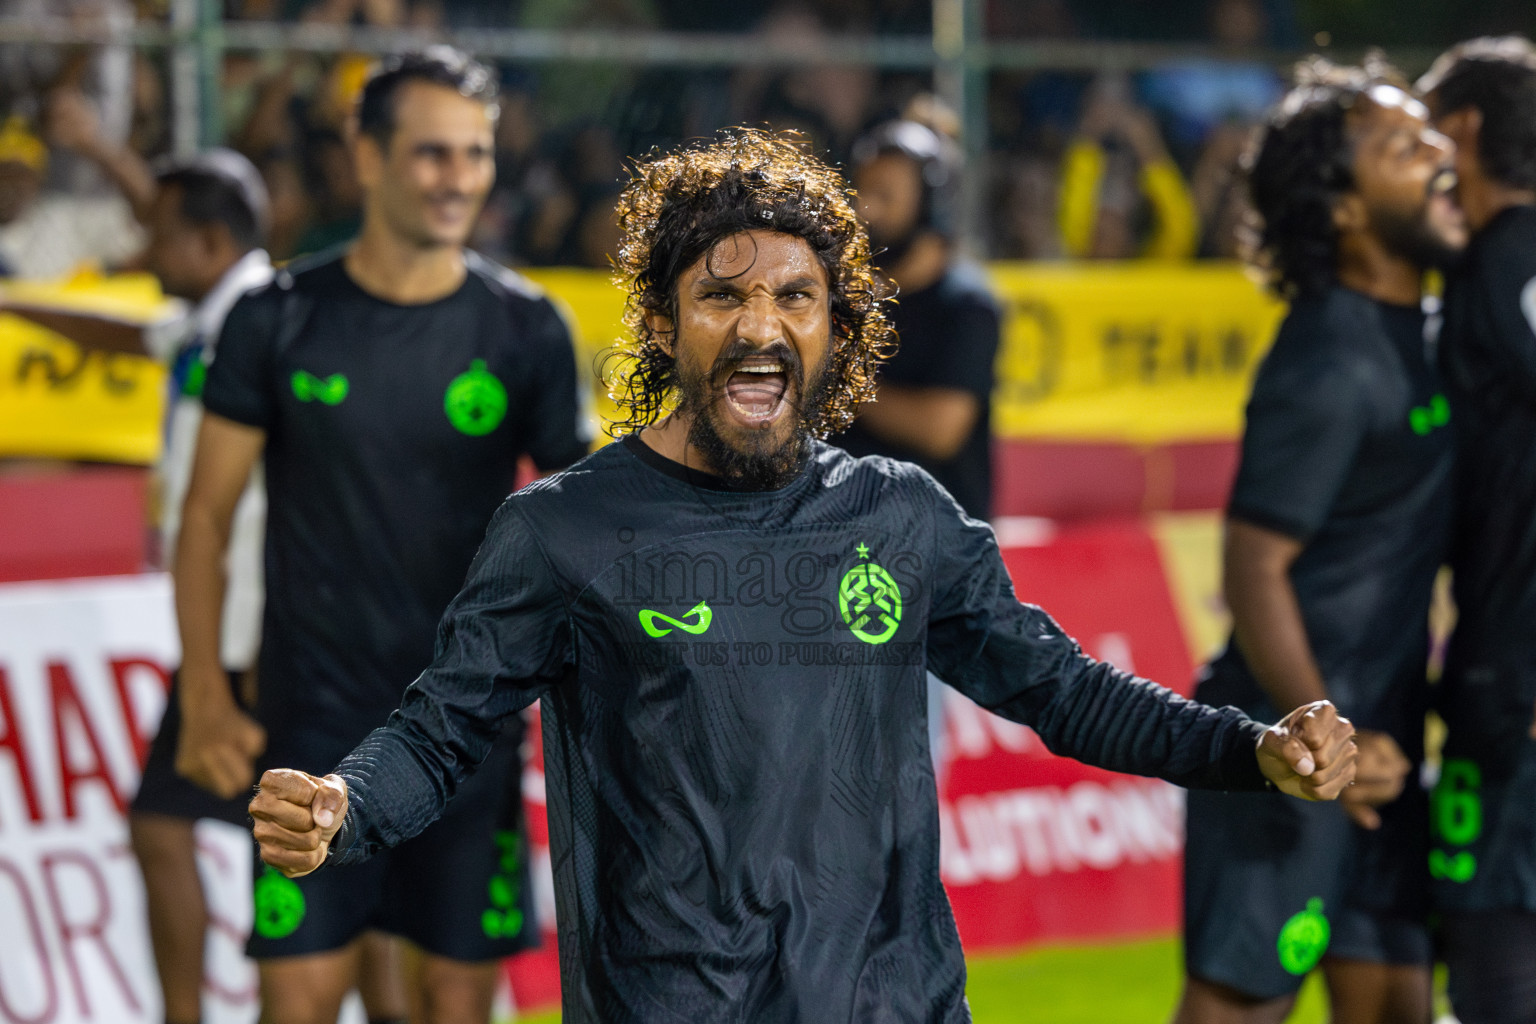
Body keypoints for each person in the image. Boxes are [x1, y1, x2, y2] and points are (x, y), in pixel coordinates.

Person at [248, 128, 1357, 1023]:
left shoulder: (901, 515)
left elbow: (1064, 689)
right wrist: (344, 805)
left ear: (838, 330)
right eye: (723, 296)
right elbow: (441, 729)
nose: (760, 324)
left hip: (894, 999)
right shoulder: (564, 531)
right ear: (663, 324)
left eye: (795, 297)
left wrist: (1250, 749)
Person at [178, 47, 590, 1024]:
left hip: (463, 726)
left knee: (449, 1000)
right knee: (301, 997)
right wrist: (203, 694)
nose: (459, 180)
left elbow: (583, 523)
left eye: (477, 155)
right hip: (310, 721)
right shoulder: (276, 318)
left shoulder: (526, 328)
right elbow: (204, 514)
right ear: (365, 157)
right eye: (431, 154)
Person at [1171, 60, 1466, 1024]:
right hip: (1288, 750)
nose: (1439, 154)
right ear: (1341, 208)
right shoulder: (1329, 357)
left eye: (1434, 132)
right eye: (1404, 145)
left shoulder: (1433, 331)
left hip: (1384, 745)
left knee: (1394, 1007)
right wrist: (1319, 732)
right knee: (1239, 1005)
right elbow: (1254, 564)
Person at [1415, 36, 1536, 1024]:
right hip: (1498, 661)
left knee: (1494, 952)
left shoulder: (1513, 261)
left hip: (1518, 678)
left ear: (1463, 128)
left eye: (1423, 128)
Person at [838, 115, 1001, 523]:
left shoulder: (967, 304)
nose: (864, 209)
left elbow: (939, 430)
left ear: (933, 205)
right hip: (854, 538)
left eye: (885, 195)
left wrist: (838, 381)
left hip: (941, 546)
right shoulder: (846, 299)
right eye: (862, 193)